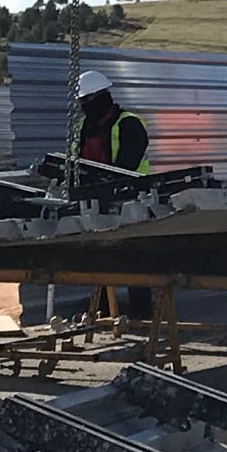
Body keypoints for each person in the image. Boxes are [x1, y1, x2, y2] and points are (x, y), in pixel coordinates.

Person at [72, 69, 154, 320]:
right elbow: (77, 160)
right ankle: (104, 308)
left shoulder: (129, 123)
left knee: (136, 258)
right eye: (82, 102)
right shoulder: (84, 125)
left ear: (102, 95)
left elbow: (128, 164)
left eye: (88, 100)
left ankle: (141, 313)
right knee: (100, 255)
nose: (85, 106)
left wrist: (105, 184)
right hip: (95, 201)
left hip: (132, 199)